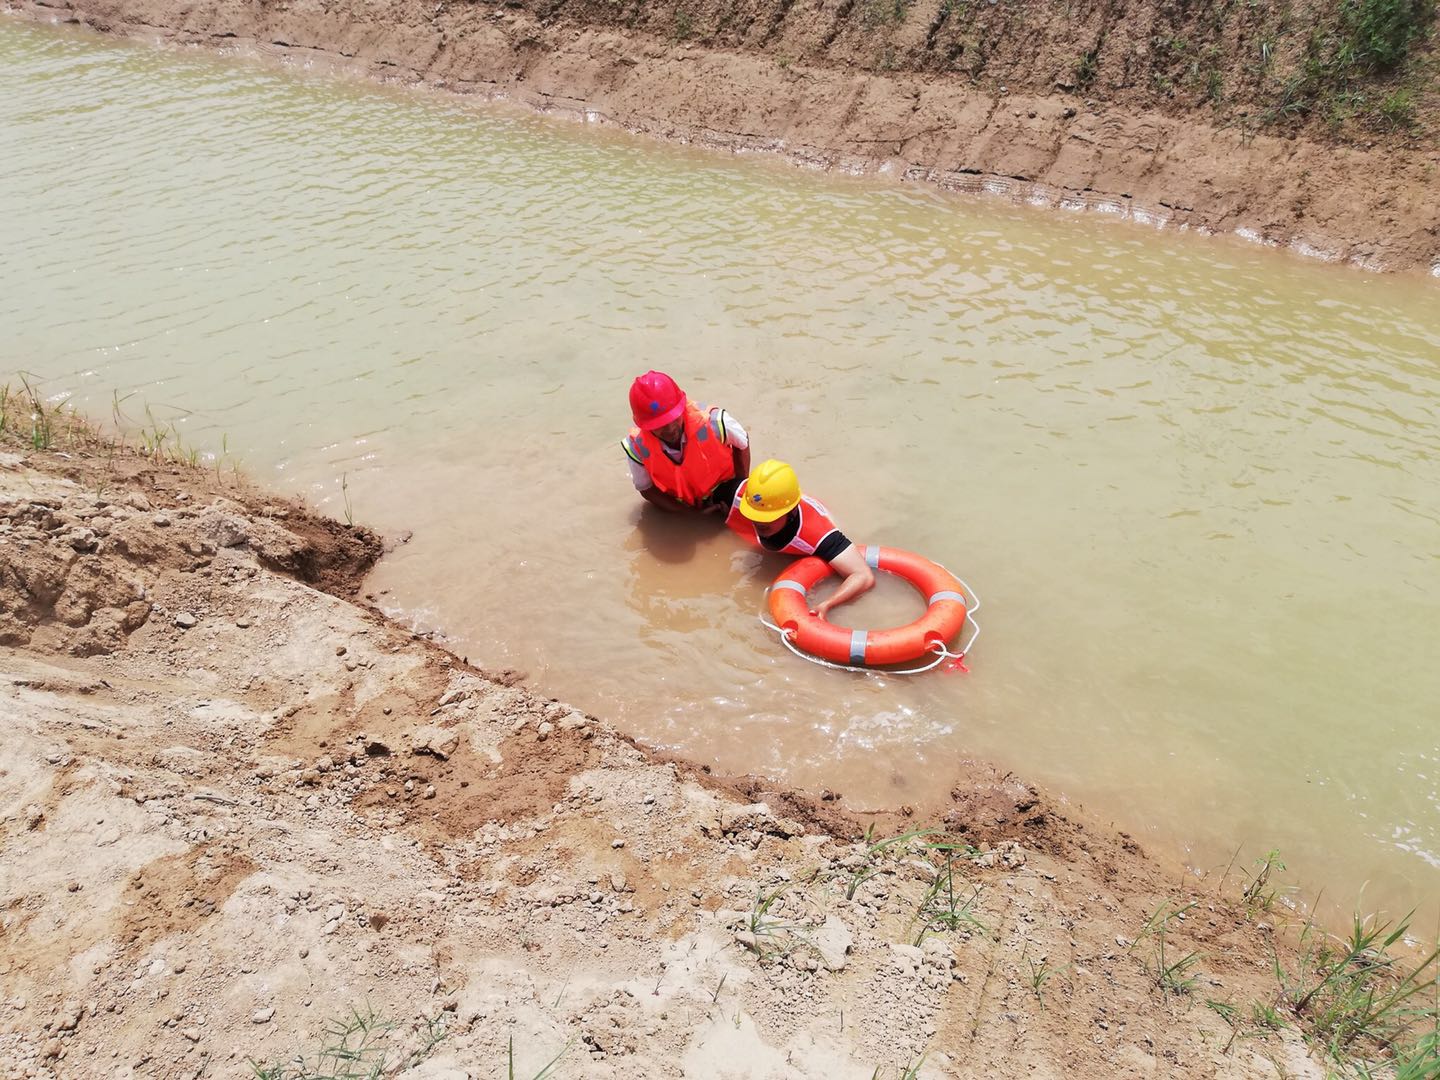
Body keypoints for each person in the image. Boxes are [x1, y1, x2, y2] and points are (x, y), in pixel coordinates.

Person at [727, 459, 875, 622]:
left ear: (790, 512)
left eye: (767, 518)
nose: (759, 522)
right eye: (754, 515)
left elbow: (863, 576)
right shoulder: (741, 496)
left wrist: (828, 603)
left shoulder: (819, 535)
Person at [623, 371, 751, 515]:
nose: (670, 429)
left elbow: (742, 443)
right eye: (660, 425)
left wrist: (742, 490)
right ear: (644, 425)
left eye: (673, 418)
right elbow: (646, 490)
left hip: (722, 487)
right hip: (679, 501)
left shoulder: (714, 422)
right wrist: (690, 514)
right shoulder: (636, 447)